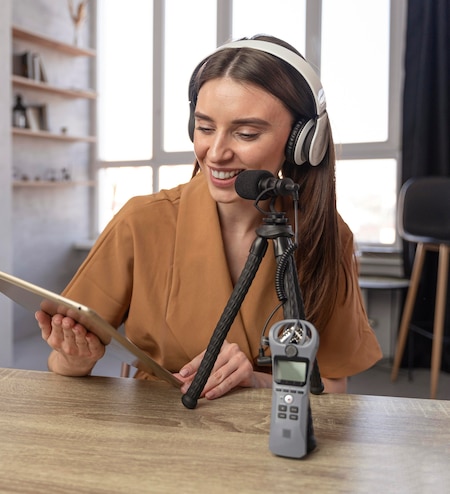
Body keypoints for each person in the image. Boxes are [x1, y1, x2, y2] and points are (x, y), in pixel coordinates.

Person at [35, 34, 382, 399]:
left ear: (301, 142)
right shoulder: (141, 222)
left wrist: (257, 379)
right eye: (204, 128)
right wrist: (75, 358)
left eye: (246, 133)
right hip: (159, 433)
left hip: (274, 433)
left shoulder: (325, 235)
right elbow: (62, 364)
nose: (215, 153)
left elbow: (332, 383)